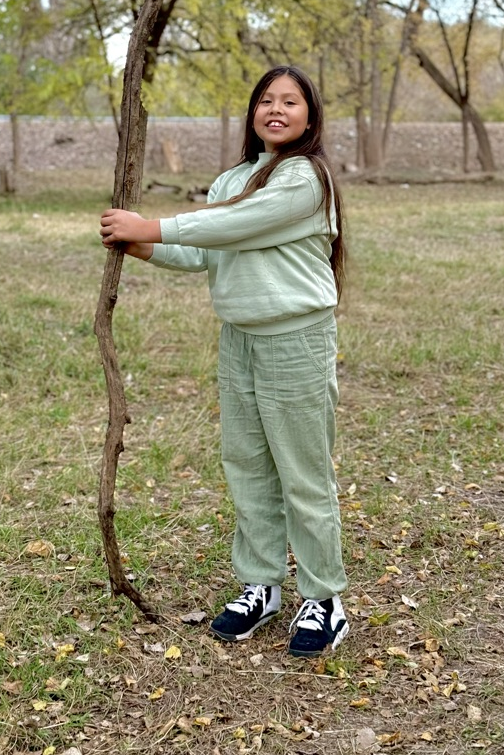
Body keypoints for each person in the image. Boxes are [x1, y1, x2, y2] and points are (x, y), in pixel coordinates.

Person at [99, 65, 349, 658]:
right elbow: (209, 250)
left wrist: (154, 223)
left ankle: (324, 598)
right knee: (247, 464)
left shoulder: (306, 180)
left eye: (291, 101)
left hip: (296, 341)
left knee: (303, 471)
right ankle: (261, 585)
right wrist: (142, 245)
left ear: (310, 117)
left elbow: (238, 223)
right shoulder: (234, 177)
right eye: (266, 100)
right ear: (252, 114)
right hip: (238, 341)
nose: (277, 109)